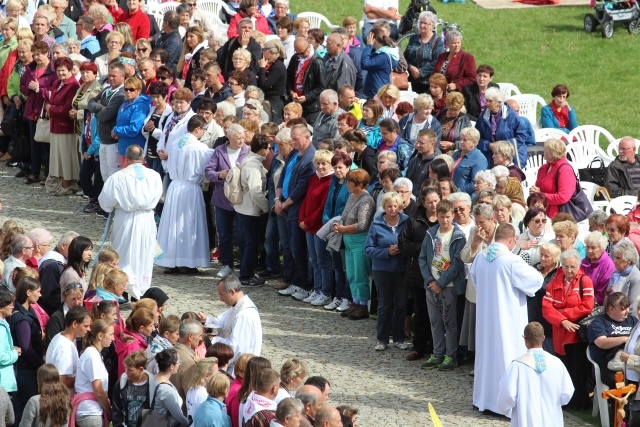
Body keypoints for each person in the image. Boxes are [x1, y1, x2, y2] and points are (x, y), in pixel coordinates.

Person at [470, 224, 543, 414]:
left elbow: (475, 281)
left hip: (486, 319)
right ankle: (506, 406)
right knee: (507, 357)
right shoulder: (512, 261)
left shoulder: (480, 257)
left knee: (487, 358)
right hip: (507, 319)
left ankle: (484, 399)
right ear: (512, 239)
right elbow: (536, 281)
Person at [98, 145, 163, 298]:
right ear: (143, 158)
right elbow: (159, 195)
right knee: (143, 253)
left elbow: (105, 202)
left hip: (125, 219)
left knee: (123, 254)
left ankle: (123, 290)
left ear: (126, 158)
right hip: (146, 219)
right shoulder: (154, 175)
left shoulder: (117, 177)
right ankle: (139, 290)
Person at [156, 115, 213, 274]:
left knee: (172, 224)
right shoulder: (199, 148)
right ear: (198, 129)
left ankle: (170, 261)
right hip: (190, 188)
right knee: (188, 224)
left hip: (175, 186)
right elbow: (206, 167)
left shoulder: (175, 143)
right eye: (204, 130)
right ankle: (187, 262)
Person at [541, 248, 594, 409]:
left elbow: (588, 306)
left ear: (578, 266)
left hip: (576, 333)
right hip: (559, 333)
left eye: (572, 267)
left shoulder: (585, 281)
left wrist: (563, 315)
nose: (569, 270)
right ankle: (564, 401)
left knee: (578, 369)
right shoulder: (554, 282)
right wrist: (562, 320)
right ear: (561, 266)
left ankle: (579, 402)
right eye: (565, 266)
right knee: (562, 368)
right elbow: (546, 308)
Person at [419, 199, 467, 370]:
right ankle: (437, 353)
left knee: (449, 322)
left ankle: (451, 355)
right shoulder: (431, 233)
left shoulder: (458, 236)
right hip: (431, 285)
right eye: (441, 217)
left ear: (453, 215)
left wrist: (441, 282)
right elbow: (422, 258)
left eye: (448, 217)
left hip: (450, 286)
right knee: (435, 321)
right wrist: (430, 280)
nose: (445, 220)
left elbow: (457, 264)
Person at [496, 322, 574, 426]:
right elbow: (567, 392)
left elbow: (508, 395)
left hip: (526, 419)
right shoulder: (557, 363)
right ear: (543, 338)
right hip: (551, 418)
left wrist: (506, 409)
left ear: (525, 340)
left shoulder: (517, 366)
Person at [275, 125, 317, 300]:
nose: (292, 142)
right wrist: (278, 200)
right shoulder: (293, 153)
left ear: (307, 138)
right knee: (291, 247)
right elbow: (283, 175)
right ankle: (296, 281)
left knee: (299, 248)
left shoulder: (311, 157)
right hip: (285, 204)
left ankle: (305, 285)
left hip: (297, 207)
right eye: (291, 138)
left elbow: (302, 186)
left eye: (296, 138)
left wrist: (285, 204)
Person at [365, 192, 408, 351]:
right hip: (382, 269)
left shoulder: (407, 222)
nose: (393, 209)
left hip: (402, 268)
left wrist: (401, 249)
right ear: (384, 207)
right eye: (389, 206)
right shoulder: (376, 224)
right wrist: (386, 252)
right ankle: (382, 339)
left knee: (401, 304)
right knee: (384, 304)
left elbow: (412, 243)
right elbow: (368, 249)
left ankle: (399, 338)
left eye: (396, 206)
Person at [334, 169, 376, 320]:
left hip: (359, 241)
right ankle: (355, 302)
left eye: (350, 182)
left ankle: (363, 306)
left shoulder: (366, 200)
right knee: (351, 274)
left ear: (360, 184)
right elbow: (345, 215)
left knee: (360, 274)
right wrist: (339, 224)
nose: (347, 184)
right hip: (348, 240)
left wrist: (343, 229)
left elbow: (362, 224)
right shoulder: (352, 196)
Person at [202, 276, 262, 375]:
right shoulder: (238, 306)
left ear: (232, 292)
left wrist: (214, 340)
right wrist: (207, 320)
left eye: (222, 295)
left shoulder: (244, 315)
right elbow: (224, 323)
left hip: (239, 370)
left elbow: (236, 347)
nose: (220, 299)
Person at [234, 134, 271, 286]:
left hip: (244, 208)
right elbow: (256, 191)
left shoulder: (248, 160)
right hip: (251, 210)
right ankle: (246, 275)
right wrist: (266, 207)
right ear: (262, 149)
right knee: (251, 243)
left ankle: (247, 271)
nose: (269, 151)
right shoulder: (253, 166)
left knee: (247, 243)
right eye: (268, 148)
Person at [9, 277, 44, 425]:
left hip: (23, 370)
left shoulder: (25, 312)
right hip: (26, 372)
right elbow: (26, 348)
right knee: (24, 414)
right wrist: (40, 364)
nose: (41, 295)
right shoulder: (23, 319)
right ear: (29, 292)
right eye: (38, 291)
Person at [589, 292, 637, 388]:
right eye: (623, 309)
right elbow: (601, 342)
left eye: (628, 307)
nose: (627, 311)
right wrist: (625, 339)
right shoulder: (599, 322)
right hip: (609, 364)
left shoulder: (632, 320)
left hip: (632, 361)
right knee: (619, 382)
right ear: (611, 309)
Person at [72, 319, 114, 427]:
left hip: (92, 411)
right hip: (90, 413)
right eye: (111, 334)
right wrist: (109, 411)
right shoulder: (92, 355)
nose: (113, 338)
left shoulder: (95, 354)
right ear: (100, 335)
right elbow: (98, 391)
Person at [475, 87, 527, 169]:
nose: (487, 103)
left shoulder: (511, 115)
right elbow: (477, 137)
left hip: (511, 157)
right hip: (491, 156)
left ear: (498, 102)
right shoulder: (483, 117)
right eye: (486, 100)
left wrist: (502, 146)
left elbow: (522, 136)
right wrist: (488, 145)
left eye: (490, 101)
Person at [45, 306, 91, 392]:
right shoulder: (64, 347)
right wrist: (84, 377)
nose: (89, 329)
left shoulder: (61, 338)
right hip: (64, 400)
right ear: (75, 324)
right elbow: (62, 381)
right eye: (86, 326)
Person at [530, 138, 576, 219]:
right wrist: (535, 191)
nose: (543, 150)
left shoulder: (565, 170)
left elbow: (563, 197)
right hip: (542, 211)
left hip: (559, 216)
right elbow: (540, 189)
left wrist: (541, 195)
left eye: (545, 149)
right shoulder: (544, 168)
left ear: (552, 153)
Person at [285, 37, 326, 124]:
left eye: (302, 53)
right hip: (295, 103)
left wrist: (307, 97)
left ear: (308, 47)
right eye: (298, 53)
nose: (300, 55)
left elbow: (322, 86)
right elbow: (288, 78)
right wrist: (291, 91)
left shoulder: (317, 62)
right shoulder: (295, 58)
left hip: (310, 108)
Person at [111, 350, 157, 427]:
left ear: (141, 369)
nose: (126, 372)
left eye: (130, 370)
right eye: (125, 368)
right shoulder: (121, 383)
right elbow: (116, 410)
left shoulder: (153, 385)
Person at [404, 11, 444, 94]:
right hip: (411, 81)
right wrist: (410, 67)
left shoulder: (438, 41)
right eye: (421, 22)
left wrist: (420, 72)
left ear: (433, 25)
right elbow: (404, 57)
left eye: (425, 23)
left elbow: (437, 61)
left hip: (428, 84)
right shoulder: (413, 38)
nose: (422, 25)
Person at [112, 76, 150, 162]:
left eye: (132, 89)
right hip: (124, 148)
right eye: (126, 89)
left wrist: (116, 130)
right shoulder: (124, 104)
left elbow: (134, 129)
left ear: (139, 90)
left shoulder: (141, 105)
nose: (128, 91)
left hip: (135, 151)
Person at [153, 349, 189, 427]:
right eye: (179, 362)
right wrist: (188, 423)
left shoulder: (152, 379)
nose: (179, 364)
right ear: (172, 366)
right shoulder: (166, 391)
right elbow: (179, 417)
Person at [450, 128, 488, 199]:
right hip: (451, 195)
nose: (461, 142)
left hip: (465, 198)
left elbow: (476, 182)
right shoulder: (456, 154)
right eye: (460, 139)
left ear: (474, 142)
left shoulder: (479, 158)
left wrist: (458, 191)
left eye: (465, 140)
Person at [361, 28, 398, 100]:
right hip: (378, 89)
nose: (367, 41)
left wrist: (369, 46)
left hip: (377, 92)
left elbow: (365, 64)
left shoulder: (383, 56)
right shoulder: (383, 52)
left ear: (374, 39)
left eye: (369, 38)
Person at [580, 231, 616, 306]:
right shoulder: (584, 262)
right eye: (588, 247)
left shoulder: (608, 266)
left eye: (593, 248)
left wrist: (585, 304)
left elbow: (601, 294)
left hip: (595, 305)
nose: (589, 251)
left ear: (601, 248)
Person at [257, 38, 287, 123]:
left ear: (271, 52)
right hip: (267, 99)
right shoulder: (270, 63)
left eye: (264, 50)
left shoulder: (278, 67)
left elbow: (264, 84)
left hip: (274, 102)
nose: (262, 52)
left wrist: (262, 68)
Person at [607, 239, 640, 315]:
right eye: (614, 257)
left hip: (625, 321)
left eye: (618, 258)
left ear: (629, 260)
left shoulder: (636, 277)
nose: (614, 260)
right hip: (611, 315)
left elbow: (633, 308)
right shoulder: (615, 273)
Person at [0, 289, 20, 396]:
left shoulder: (4, 324)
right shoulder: (0, 329)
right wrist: (14, 353)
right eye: (10, 304)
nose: (13, 306)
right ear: (1, 308)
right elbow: (1, 357)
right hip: (3, 385)